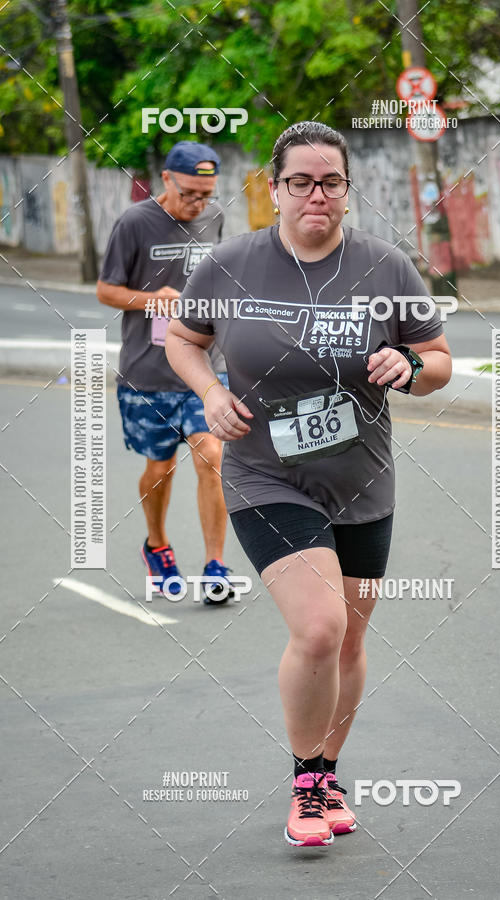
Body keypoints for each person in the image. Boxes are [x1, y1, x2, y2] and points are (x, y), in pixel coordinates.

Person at [165, 122, 452, 845]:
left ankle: (327, 770)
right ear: (274, 188)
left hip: (362, 481)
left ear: (347, 192)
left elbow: (438, 356)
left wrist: (410, 369)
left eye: (330, 182)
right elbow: (182, 337)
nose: (315, 195)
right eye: (300, 182)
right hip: (266, 474)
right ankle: (306, 783)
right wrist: (207, 391)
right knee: (319, 628)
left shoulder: (385, 267)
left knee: (350, 645)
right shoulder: (229, 264)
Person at [97, 141, 235, 604]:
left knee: (211, 457)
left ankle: (215, 565)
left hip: (204, 369)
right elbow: (106, 290)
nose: (198, 203)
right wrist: (156, 298)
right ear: (167, 180)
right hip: (148, 372)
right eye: (190, 193)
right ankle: (156, 545)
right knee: (160, 469)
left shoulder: (213, 218)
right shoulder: (134, 223)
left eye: (206, 193)